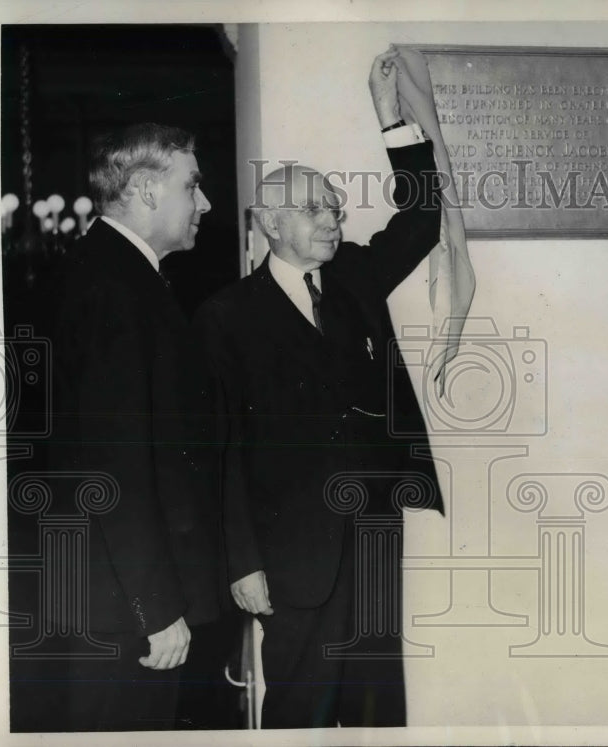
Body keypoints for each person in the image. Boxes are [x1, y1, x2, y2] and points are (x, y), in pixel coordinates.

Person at [194, 48, 445, 728]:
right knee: (300, 716)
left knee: (377, 714)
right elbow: (223, 450)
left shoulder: (357, 278)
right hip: (290, 560)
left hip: (370, 540)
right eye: (313, 209)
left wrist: (390, 119)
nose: (333, 218)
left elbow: (422, 222)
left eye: (333, 206)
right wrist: (242, 563)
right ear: (270, 223)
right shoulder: (225, 317)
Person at [38, 123, 223, 731]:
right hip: (124, 605)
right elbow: (113, 465)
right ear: (145, 190)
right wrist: (158, 606)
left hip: (117, 592)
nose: (205, 203)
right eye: (191, 186)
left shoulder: (119, 273)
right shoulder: (115, 287)